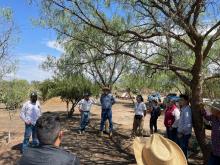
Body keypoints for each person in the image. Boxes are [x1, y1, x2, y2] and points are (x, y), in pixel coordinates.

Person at [177, 94, 192, 159]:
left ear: (186, 101)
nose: (180, 101)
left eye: (181, 100)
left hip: (184, 134)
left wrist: (181, 133)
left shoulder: (187, 110)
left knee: (183, 151)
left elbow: (188, 124)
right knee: (181, 150)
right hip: (182, 134)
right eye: (179, 100)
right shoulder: (183, 109)